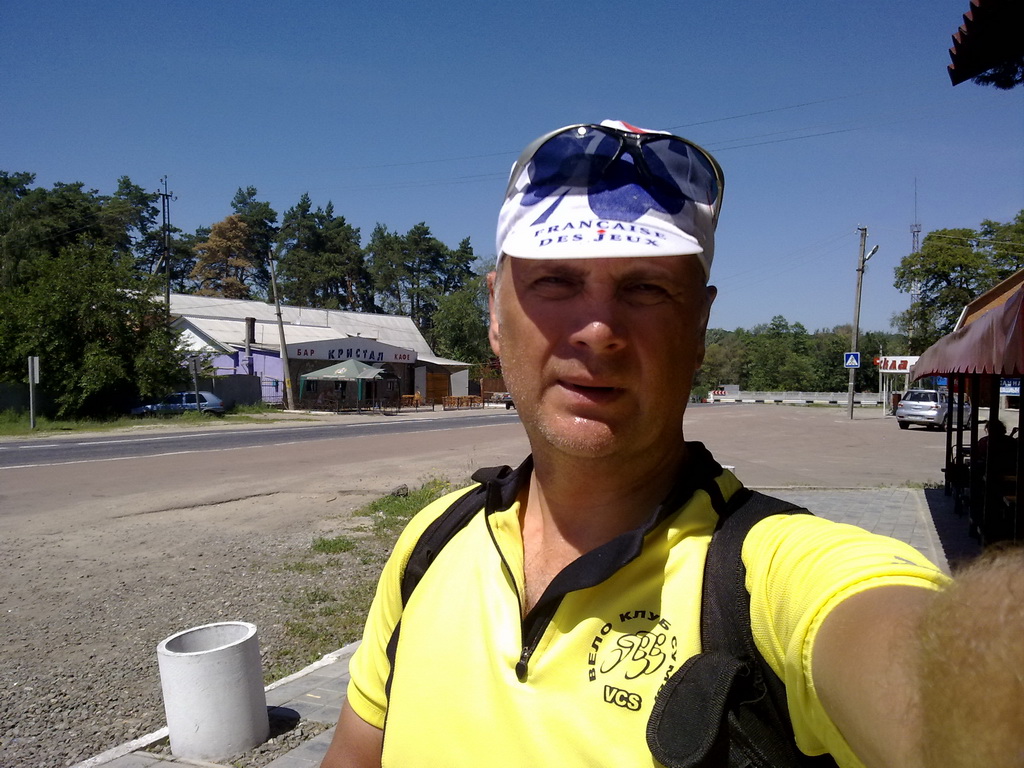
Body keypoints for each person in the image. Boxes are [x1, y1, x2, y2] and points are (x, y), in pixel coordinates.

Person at [321, 121, 1023, 768]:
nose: (598, 330)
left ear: (699, 327)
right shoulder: (431, 543)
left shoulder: (766, 575)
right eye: (556, 281)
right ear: (495, 315)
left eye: (647, 289)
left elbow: (929, 676)